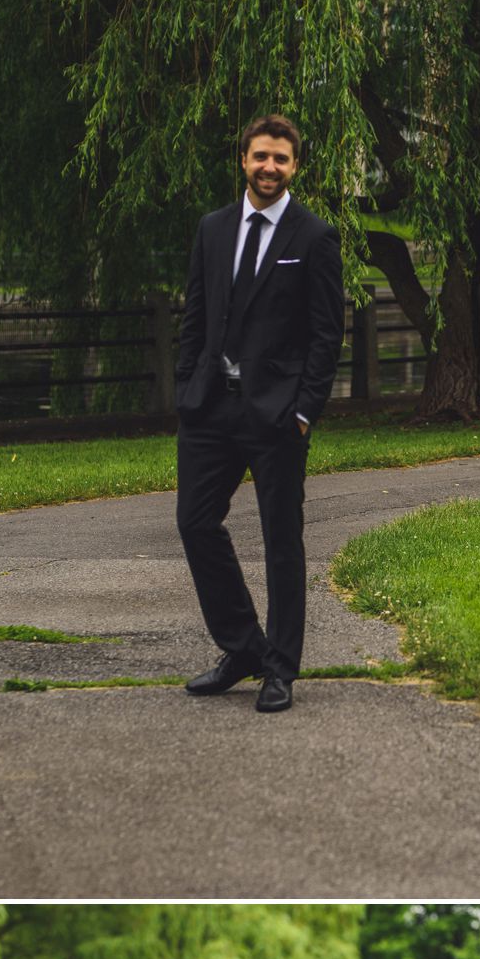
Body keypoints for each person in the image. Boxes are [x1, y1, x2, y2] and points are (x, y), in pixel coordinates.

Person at [175, 113, 346, 714]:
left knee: (281, 542)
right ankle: (243, 646)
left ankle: (280, 668)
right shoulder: (213, 229)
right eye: (260, 157)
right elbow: (196, 315)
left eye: (281, 159)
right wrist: (185, 388)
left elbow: (327, 336)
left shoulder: (315, 238)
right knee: (195, 523)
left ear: (295, 166)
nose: (269, 168)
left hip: (277, 416)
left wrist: (304, 413)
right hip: (209, 410)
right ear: (242, 160)